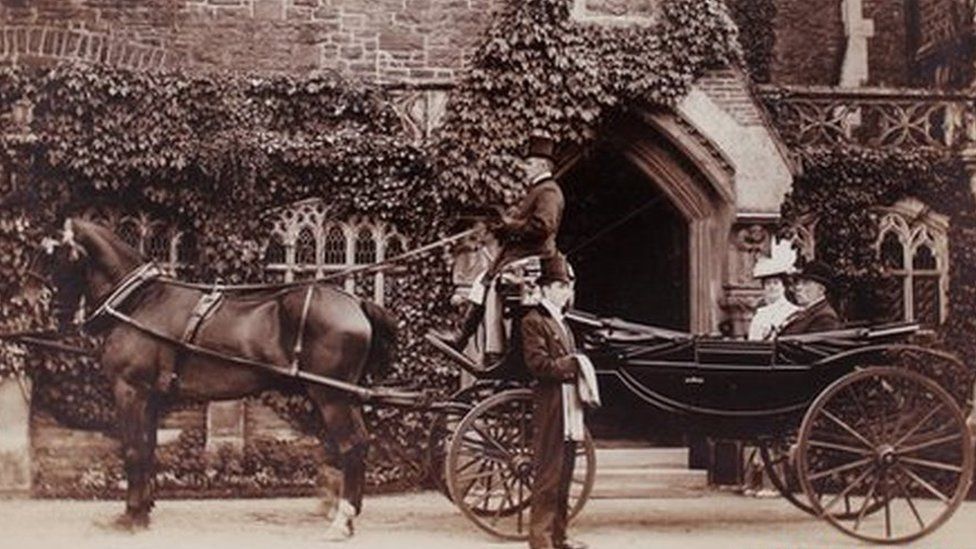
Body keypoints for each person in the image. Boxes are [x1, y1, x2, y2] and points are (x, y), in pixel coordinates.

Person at [433, 131, 565, 355]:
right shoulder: (538, 190)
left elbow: (543, 226)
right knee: (481, 283)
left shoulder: (548, 191)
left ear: (543, 165)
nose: (525, 167)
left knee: (486, 284)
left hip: (531, 255)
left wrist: (509, 226)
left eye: (530, 163)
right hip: (519, 253)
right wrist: (503, 227)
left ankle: (477, 343)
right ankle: (463, 338)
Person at [521, 254, 597, 549]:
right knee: (549, 473)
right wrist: (574, 363)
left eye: (567, 286)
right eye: (562, 286)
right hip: (551, 401)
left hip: (569, 404)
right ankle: (540, 540)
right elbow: (538, 364)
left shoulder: (562, 323)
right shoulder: (534, 321)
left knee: (564, 472)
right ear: (547, 289)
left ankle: (559, 536)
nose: (567, 292)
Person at [778, 260, 842, 336]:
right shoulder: (804, 311)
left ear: (821, 289)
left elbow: (812, 347)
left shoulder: (825, 318)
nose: (798, 287)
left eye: (806, 283)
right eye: (798, 282)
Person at [747, 256, 800, 341]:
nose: (772, 287)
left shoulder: (793, 311)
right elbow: (753, 340)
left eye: (776, 283)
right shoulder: (760, 314)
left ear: (783, 287)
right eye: (768, 283)